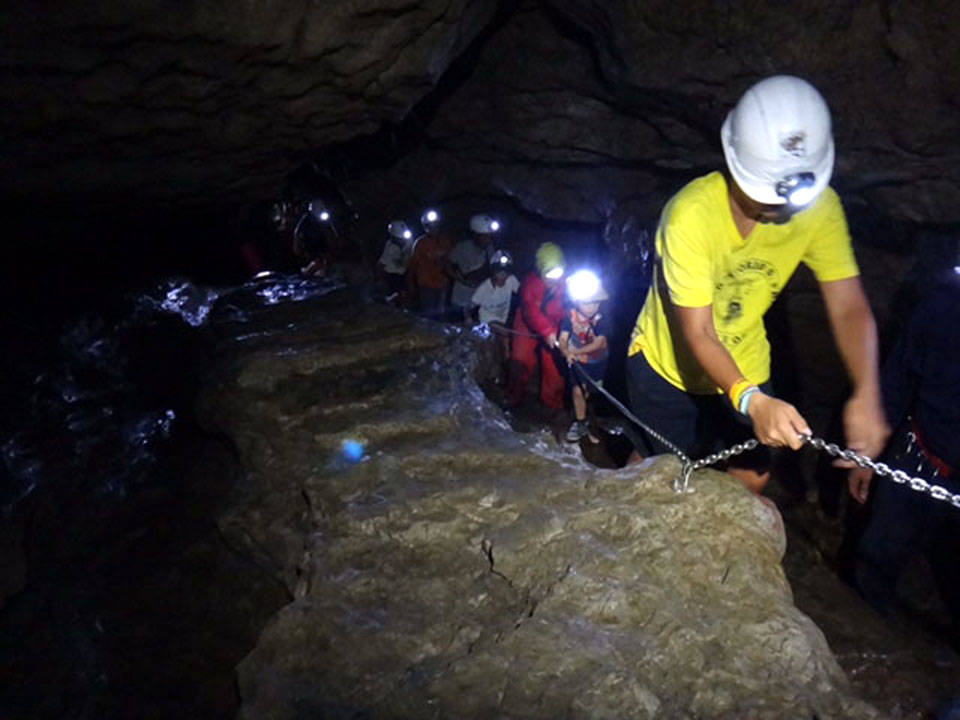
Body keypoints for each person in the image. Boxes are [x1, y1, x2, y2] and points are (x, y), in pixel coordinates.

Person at [624, 75, 889, 493]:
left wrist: (868, 390)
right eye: (769, 196)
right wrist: (752, 401)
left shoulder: (820, 210)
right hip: (666, 368)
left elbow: (848, 306)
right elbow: (699, 331)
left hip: (744, 359)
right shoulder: (690, 216)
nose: (781, 207)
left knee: (752, 476)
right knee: (655, 475)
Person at [846, 268, 959, 633]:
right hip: (921, 461)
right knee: (878, 558)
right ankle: (867, 639)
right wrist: (867, 456)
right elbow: (898, 377)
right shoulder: (946, 301)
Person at [506, 242, 566, 412]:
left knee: (555, 369)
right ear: (540, 270)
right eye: (549, 274)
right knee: (521, 361)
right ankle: (513, 398)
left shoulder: (567, 283)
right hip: (527, 325)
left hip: (555, 325)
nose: (554, 278)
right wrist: (547, 332)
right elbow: (531, 310)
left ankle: (551, 407)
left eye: (558, 272)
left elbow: (570, 308)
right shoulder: (531, 283)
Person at [559, 270, 611, 443]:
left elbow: (599, 343)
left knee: (591, 393)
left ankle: (590, 421)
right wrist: (566, 352)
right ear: (577, 301)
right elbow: (563, 338)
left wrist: (574, 352)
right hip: (579, 362)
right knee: (577, 390)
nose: (592, 307)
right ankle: (580, 423)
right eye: (587, 303)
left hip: (598, 362)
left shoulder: (602, 318)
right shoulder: (570, 316)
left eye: (595, 302)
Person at [470, 250, 520, 383]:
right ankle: (493, 376)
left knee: (505, 347)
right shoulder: (484, 288)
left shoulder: (511, 281)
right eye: (499, 272)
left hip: (502, 320)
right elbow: (470, 307)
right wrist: (469, 322)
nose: (503, 276)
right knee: (498, 343)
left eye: (505, 272)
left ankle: (502, 376)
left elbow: (522, 296)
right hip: (485, 323)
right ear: (493, 272)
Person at [449, 214, 499, 320]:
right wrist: (462, 280)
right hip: (461, 300)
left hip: (479, 300)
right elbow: (448, 266)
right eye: (485, 236)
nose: (488, 240)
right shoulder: (462, 248)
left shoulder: (489, 249)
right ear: (475, 235)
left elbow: (492, 268)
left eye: (490, 236)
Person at [407, 208, 453, 319]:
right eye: (431, 226)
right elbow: (413, 265)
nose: (434, 228)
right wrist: (410, 284)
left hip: (443, 284)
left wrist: (452, 278)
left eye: (436, 225)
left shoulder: (445, 241)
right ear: (426, 227)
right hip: (426, 285)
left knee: (442, 314)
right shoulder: (420, 243)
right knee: (429, 313)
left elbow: (450, 262)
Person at [378, 220, 414, 302]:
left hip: (406, 274)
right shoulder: (390, 246)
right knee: (394, 297)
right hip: (392, 276)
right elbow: (382, 263)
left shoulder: (409, 241)